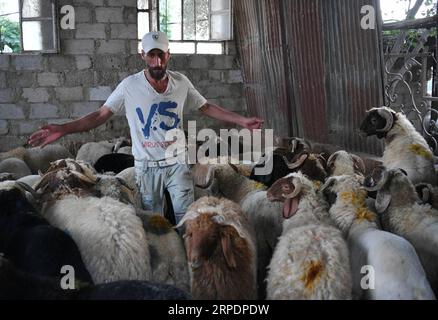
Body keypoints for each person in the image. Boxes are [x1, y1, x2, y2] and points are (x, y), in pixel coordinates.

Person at [28, 31, 264, 225]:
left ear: (168, 55)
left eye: (161, 55)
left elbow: (206, 106)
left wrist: (241, 121)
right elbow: (100, 115)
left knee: (189, 221)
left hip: (177, 165)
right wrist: (64, 129)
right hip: (147, 168)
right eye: (152, 55)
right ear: (143, 55)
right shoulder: (129, 86)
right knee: (155, 223)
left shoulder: (181, 83)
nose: (158, 62)